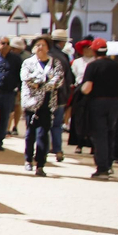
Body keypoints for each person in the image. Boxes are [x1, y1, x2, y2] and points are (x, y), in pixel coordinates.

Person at [80, 38, 118, 180]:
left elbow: (87, 88)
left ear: (94, 51)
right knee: (110, 133)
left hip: (98, 103)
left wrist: (80, 90)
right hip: (116, 103)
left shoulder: (92, 66)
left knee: (100, 135)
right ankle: (108, 164)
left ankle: (102, 168)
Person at [20, 37, 63, 177]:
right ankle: (28, 159)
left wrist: (42, 84)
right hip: (31, 103)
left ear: (48, 47)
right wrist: (43, 82)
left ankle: (40, 164)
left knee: (43, 134)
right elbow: (27, 78)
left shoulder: (55, 63)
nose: (40, 47)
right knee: (30, 133)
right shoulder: (28, 62)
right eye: (38, 45)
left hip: (47, 103)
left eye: (43, 45)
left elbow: (58, 79)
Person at [47, 29, 74, 162]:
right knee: (57, 125)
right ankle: (57, 149)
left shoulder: (45, 55)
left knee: (43, 124)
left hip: (45, 95)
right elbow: (69, 79)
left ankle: (43, 148)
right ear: (62, 42)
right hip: (60, 95)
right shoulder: (64, 57)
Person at [68, 41, 93, 154]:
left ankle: (92, 144)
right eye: (85, 48)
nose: (88, 50)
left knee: (92, 117)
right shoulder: (76, 62)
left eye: (90, 47)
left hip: (93, 90)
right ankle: (79, 142)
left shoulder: (96, 61)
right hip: (79, 90)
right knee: (79, 117)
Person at [7, 37, 27, 136]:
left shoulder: (24, 57)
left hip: (19, 85)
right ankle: (9, 127)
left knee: (15, 107)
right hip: (14, 85)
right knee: (13, 107)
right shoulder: (11, 56)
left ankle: (12, 127)